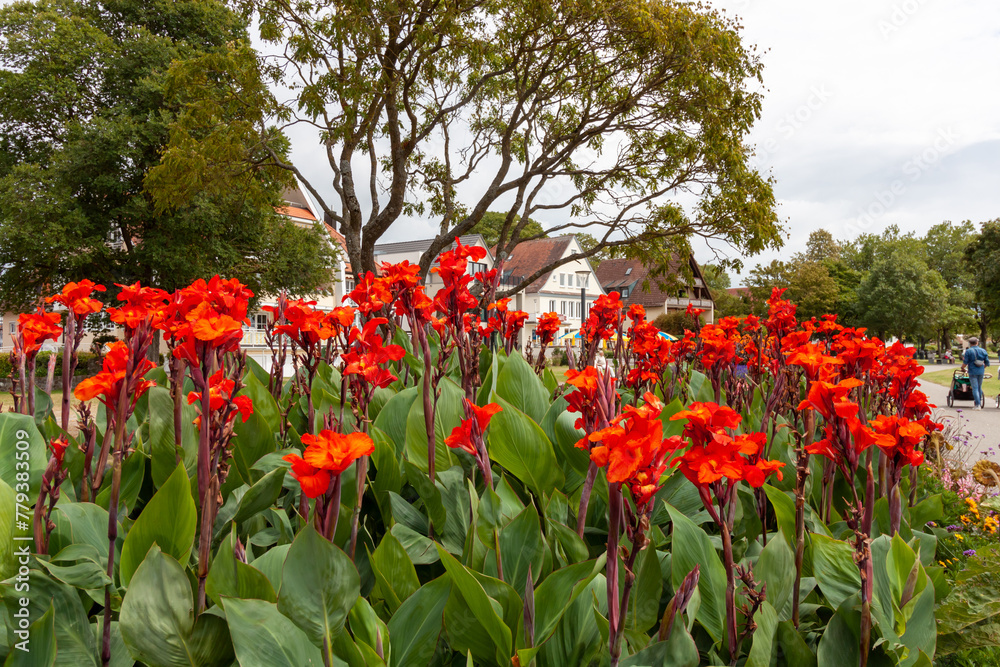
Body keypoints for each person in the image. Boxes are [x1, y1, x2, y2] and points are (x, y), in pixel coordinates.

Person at [961, 337, 990, 409]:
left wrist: (962, 368)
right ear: (977, 343)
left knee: (975, 388)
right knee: (979, 387)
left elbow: (965, 362)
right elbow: (987, 362)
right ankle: (978, 402)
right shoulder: (983, 350)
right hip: (981, 371)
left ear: (970, 343)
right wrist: (983, 367)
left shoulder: (968, 351)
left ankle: (977, 405)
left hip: (972, 371)